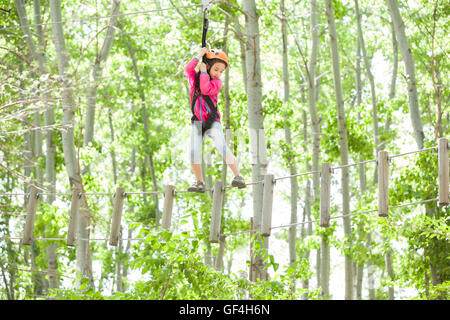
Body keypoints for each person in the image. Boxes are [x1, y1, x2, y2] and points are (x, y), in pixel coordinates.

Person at [184, 47, 246, 193]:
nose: (218, 73)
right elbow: (188, 69)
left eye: (221, 71)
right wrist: (199, 56)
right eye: (216, 69)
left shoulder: (217, 83)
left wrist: (205, 72)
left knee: (221, 145)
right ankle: (199, 182)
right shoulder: (194, 78)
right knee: (193, 151)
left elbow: (205, 88)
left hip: (212, 120)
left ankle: (238, 176)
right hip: (197, 121)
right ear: (208, 64)